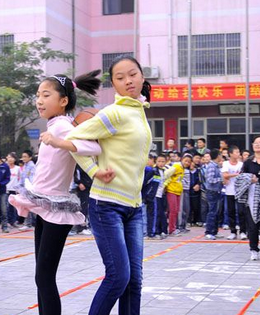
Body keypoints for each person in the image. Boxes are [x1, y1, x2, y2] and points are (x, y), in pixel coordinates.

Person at [53, 55, 152, 315]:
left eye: (132, 74)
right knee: (119, 277)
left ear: (142, 76)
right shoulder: (115, 113)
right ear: (114, 85)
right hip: (107, 206)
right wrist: (94, 171)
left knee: (134, 282)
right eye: (120, 78)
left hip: (134, 207)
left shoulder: (138, 111)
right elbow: (72, 139)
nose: (128, 81)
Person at [9, 70, 102, 315]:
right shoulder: (55, 125)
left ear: (63, 101)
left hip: (57, 210)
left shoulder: (62, 126)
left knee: (44, 277)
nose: (39, 100)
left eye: (46, 95)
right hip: (44, 206)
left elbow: (94, 146)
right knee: (42, 276)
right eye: (38, 95)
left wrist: (60, 142)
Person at [236, 136, 260, 260]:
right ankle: (254, 249)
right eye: (255, 143)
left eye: (259, 143)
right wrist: (250, 179)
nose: (257, 145)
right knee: (253, 225)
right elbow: (240, 177)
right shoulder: (248, 162)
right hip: (252, 197)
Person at [222, 145, 247, 240]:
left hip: (240, 191)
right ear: (231, 154)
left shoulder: (241, 164)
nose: (238, 154)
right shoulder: (226, 164)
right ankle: (233, 232)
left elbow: (244, 175)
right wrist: (236, 174)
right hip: (229, 191)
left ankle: (243, 231)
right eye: (236, 152)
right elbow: (225, 175)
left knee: (241, 211)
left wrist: (230, 175)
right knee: (231, 211)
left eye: (238, 152)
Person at [164, 153, 192, 236]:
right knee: (173, 210)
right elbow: (166, 174)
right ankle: (171, 230)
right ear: (182, 159)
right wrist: (166, 185)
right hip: (171, 190)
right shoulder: (176, 166)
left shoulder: (183, 168)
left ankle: (174, 228)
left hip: (178, 191)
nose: (187, 163)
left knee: (176, 211)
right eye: (185, 161)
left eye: (189, 162)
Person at [204, 149, 223, 240]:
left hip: (217, 191)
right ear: (217, 156)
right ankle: (208, 232)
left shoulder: (217, 166)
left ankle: (214, 232)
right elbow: (210, 180)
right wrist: (221, 180)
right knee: (212, 212)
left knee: (216, 212)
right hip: (212, 192)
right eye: (220, 155)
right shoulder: (212, 166)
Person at [17, 150, 36, 231]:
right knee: (26, 206)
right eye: (23, 156)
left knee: (33, 207)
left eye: (25, 156)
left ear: (30, 157)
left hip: (30, 189)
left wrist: (30, 188)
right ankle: (27, 223)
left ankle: (34, 223)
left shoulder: (32, 166)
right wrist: (19, 187)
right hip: (24, 189)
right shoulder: (25, 166)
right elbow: (22, 177)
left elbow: (32, 178)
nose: (23, 158)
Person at [6, 152, 20, 228]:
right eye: (9, 157)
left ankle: (13, 221)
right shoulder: (5, 167)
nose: (10, 159)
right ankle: (7, 221)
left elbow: (20, 179)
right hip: (6, 189)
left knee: (14, 206)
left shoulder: (17, 168)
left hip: (14, 190)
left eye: (12, 157)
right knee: (7, 206)